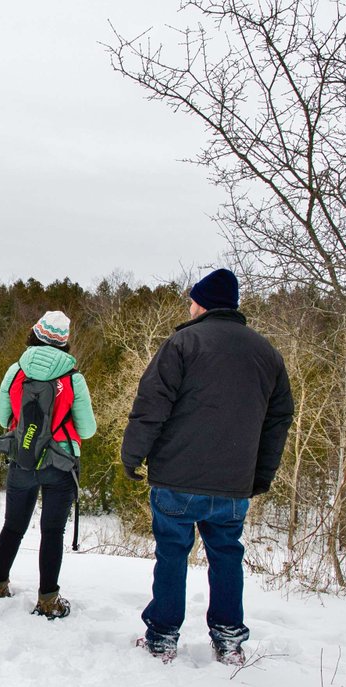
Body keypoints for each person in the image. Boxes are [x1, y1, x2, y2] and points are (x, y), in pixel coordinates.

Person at [121, 268, 293, 664]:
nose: (189, 306)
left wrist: (132, 456)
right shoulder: (266, 353)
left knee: (172, 553)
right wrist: (261, 473)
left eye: (192, 300)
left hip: (177, 477)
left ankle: (163, 635)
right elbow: (278, 418)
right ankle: (229, 637)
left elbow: (151, 406)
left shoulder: (183, 343)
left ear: (202, 303)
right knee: (226, 555)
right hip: (233, 481)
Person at [0, 311, 97, 619]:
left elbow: (2, 417)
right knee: (52, 532)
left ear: (34, 334)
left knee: (13, 526)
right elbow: (87, 430)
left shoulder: (15, 371)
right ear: (64, 342)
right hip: (59, 464)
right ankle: (48, 600)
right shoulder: (73, 378)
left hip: (22, 459)